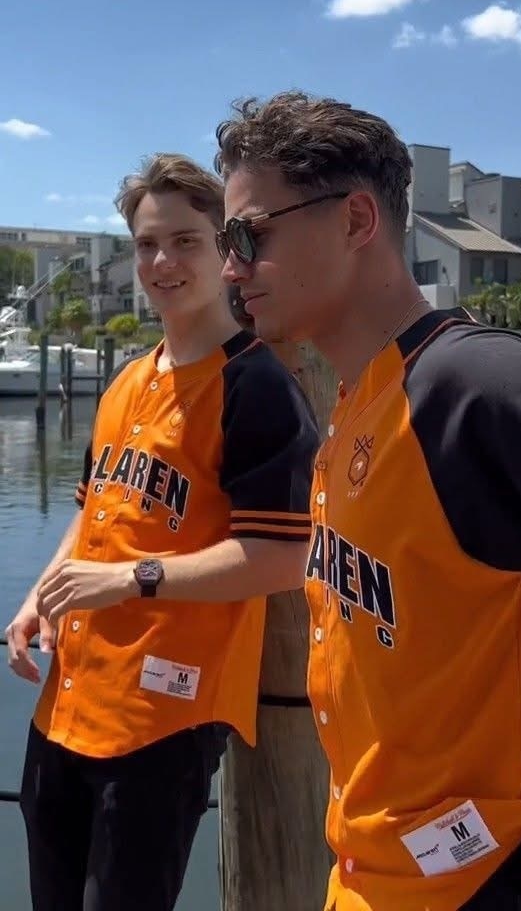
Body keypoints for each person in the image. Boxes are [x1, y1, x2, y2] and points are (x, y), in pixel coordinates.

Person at [213, 90, 521, 911]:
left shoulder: (476, 386)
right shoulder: (359, 401)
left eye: (250, 236)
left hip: (488, 884)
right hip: (374, 877)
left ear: (356, 220)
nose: (231, 268)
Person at [5, 152, 319, 911]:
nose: (162, 262)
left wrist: (131, 578)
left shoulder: (256, 386)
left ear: (225, 250)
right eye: (146, 244)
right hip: (68, 703)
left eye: (185, 241)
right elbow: (93, 509)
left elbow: (287, 555)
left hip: (163, 719)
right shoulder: (127, 380)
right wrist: (41, 595)